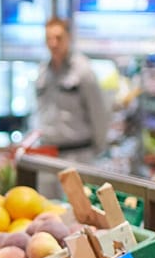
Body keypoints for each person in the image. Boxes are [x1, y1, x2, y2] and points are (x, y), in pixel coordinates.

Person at [35, 16, 111, 168]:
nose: (53, 43)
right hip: (47, 154)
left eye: (58, 38)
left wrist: (98, 149)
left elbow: (99, 113)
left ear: (68, 38)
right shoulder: (43, 72)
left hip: (78, 155)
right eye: (49, 38)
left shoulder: (83, 70)